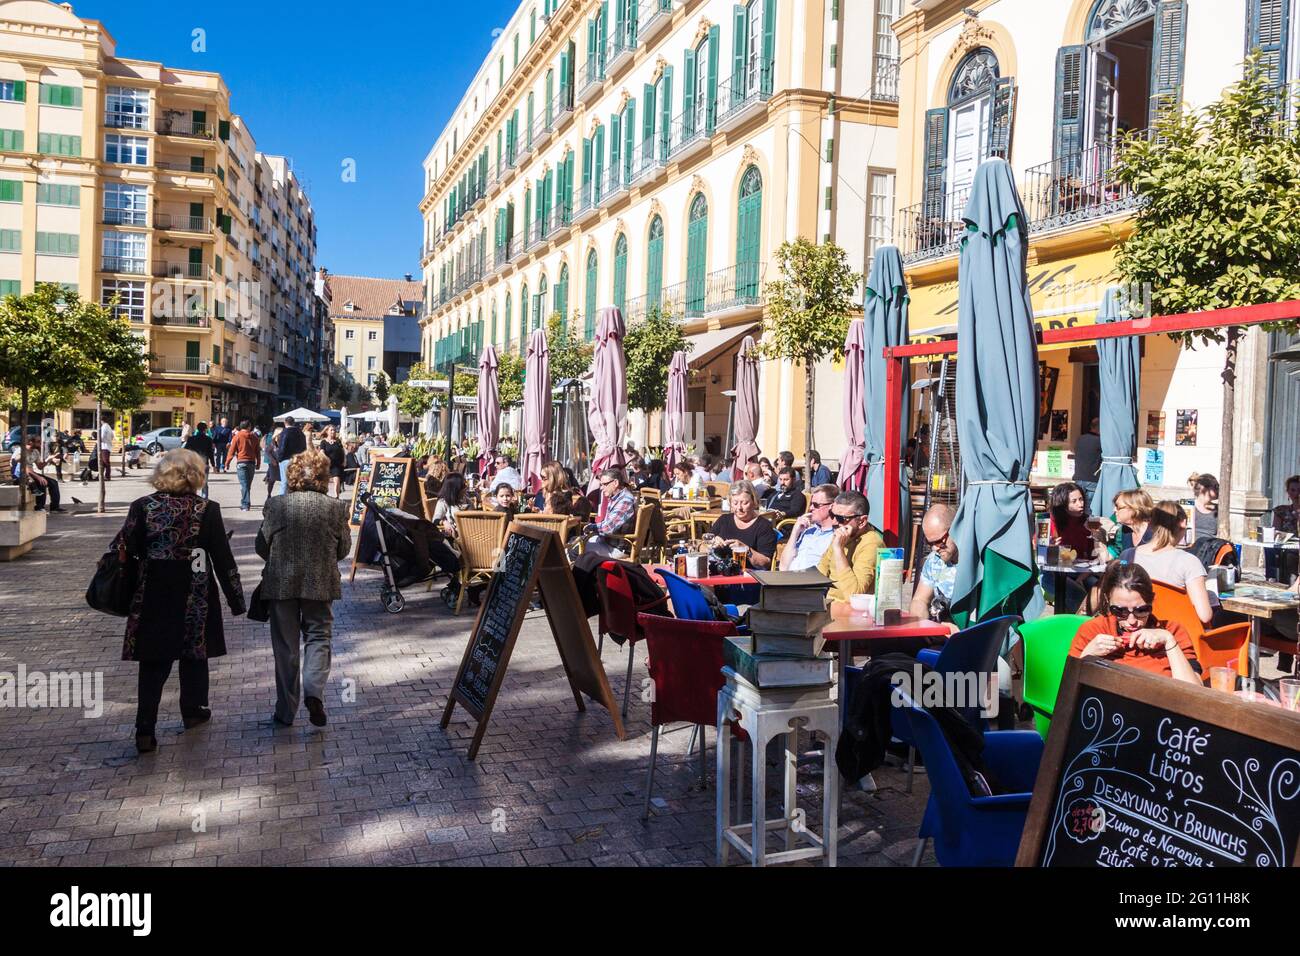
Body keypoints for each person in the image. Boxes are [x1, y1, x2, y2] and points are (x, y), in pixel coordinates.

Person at [110, 449, 245, 752]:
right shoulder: (206, 509)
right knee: (195, 653)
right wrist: (236, 600)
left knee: (153, 660)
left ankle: (145, 728)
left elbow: (123, 545)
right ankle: (193, 711)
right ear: (195, 476)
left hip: (153, 588)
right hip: (193, 587)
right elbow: (222, 558)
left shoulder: (142, 507)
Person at [256, 450, 351, 728]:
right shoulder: (335, 507)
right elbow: (343, 550)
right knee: (319, 636)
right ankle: (314, 692)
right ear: (323, 476)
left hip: (281, 583)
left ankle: (285, 711)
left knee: (285, 647)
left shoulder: (276, 505)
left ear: (292, 475)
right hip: (320, 582)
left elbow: (262, 547)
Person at [1070, 560, 1200, 684]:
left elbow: (1195, 694)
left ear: (1151, 602)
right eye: (1120, 611)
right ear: (1107, 600)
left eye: (1141, 610)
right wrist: (1087, 655)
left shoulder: (1174, 632)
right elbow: (1067, 689)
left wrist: (1169, 641)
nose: (1131, 621)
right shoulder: (1093, 631)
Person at [1123, 500, 1216, 627]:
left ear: (1150, 524)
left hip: (1137, 629)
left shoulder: (1128, 556)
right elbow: (1205, 616)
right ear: (1183, 523)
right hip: (1178, 636)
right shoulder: (1189, 562)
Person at [1042, 481, 1104, 609]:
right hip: (1054, 574)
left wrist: (1098, 536)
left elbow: (1097, 556)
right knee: (1080, 597)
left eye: (1081, 499)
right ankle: (1081, 626)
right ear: (1062, 504)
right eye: (1074, 501)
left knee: (1100, 592)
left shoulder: (1090, 521)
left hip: (1085, 573)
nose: (1080, 504)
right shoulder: (1048, 522)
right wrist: (1050, 548)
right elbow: (1042, 558)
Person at [818, 491, 885, 602]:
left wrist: (838, 550)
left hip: (850, 611)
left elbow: (854, 595)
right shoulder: (841, 535)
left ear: (862, 521)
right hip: (827, 604)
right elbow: (821, 571)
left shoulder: (871, 544)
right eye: (832, 515)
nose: (834, 522)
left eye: (841, 518)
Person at [908, 504, 960, 632]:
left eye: (939, 541)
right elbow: (920, 600)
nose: (935, 548)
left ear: (955, 529)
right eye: (929, 543)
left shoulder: (974, 561)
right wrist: (922, 626)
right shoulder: (933, 561)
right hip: (939, 631)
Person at [709, 480, 778, 569]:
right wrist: (711, 544)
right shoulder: (723, 520)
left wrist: (746, 549)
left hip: (749, 577)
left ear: (754, 502)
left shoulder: (764, 526)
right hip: (721, 575)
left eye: (744, 503)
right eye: (735, 503)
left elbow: (765, 563)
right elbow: (702, 547)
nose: (739, 508)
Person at [778, 483, 838, 571]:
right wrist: (795, 532)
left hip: (810, 582)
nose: (810, 508)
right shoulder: (809, 530)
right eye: (811, 504)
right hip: (789, 579)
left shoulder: (836, 536)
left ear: (831, 506)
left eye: (816, 505)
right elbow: (783, 567)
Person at [580, 468, 639, 557]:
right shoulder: (618, 497)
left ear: (615, 483)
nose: (601, 488)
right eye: (601, 485)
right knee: (576, 542)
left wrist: (592, 527)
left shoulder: (625, 501)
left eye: (604, 484)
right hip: (610, 543)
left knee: (575, 549)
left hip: (617, 549)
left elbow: (608, 528)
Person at [224, 419, 261, 512]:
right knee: (247, 484)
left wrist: (227, 463)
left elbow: (231, 451)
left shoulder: (237, 436)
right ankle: (245, 502)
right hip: (251, 463)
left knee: (244, 484)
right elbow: (258, 452)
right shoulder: (254, 437)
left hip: (241, 462)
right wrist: (258, 463)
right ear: (249, 427)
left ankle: (245, 505)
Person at [17, 437, 63, 512]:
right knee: (42, 482)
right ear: (31, 442)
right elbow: (23, 468)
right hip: (21, 474)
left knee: (54, 482)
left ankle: (55, 507)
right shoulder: (21, 451)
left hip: (31, 473)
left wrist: (48, 459)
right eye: (38, 442)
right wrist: (38, 477)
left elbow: (40, 466)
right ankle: (39, 507)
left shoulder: (35, 451)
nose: (40, 443)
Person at [1073, 417, 1102, 513]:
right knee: (1089, 510)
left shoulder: (1080, 439)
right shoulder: (1100, 441)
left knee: (1077, 509)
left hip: (1078, 478)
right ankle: (1087, 528)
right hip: (1092, 480)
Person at [274, 416, 307, 495]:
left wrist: (279, 458)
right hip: (298, 460)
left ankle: (282, 501)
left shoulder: (285, 432)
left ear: (285, 423)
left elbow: (282, 447)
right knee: (296, 481)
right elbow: (304, 447)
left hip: (286, 459)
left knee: (284, 482)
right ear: (294, 423)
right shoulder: (300, 433)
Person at [183, 422, 216, 498]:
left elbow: (186, 450)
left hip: (193, 464)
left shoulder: (191, 439)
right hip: (204, 464)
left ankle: (192, 500)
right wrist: (213, 465)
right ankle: (204, 502)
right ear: (205, 430)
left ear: (197, 429)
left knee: (192, 484)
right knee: (204, 485)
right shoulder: (208, 439)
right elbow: (210, 453)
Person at [432, 472, 469, 536]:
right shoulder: (443, 502)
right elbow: (435, 520)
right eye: (463, 485)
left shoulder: (465, 499)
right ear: (455, 489)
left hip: (471, 533)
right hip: (457, 537)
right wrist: (444, 522)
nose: (466, 487)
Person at [1189, 473, 1219, 540]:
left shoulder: (1219, 510)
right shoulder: (1187, 506)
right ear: (1204, 488)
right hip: (1188, 547)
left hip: (1210, 548)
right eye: (1216, 486)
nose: (1219, 489)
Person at [318, 425, 346, 498]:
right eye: (331, 430)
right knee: (325, 481)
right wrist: (326, 458)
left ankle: (337, 496)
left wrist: (344, 460)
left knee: (337, 480)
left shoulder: (338, 441)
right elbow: (321, 452)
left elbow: (343, 451)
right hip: (327, 464)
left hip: (337, 464)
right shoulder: (323, 442)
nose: (333, 432)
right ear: (327, 431)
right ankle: (325, 495)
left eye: (334, 430)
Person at [263, 425, 283, 502]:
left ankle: (282, 495)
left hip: (282, 463)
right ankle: (269, 494)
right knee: (272, 480)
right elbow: (267, 452)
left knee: (284, 480)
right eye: (281, 434)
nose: (282, 435)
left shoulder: (284, 442)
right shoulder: (272, 443)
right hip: (274, 464)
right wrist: (272, 460)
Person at [99, 416, 115, 482]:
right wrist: (109, 440)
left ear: (101, 420)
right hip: (108, 446)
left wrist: (99, 441)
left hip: (104, 446)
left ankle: (107, 476)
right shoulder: (108, 426)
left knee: (105, 462)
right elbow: (112, 436)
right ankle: (101, 475)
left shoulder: (103, 427)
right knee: (103, 462)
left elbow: (101, 437)